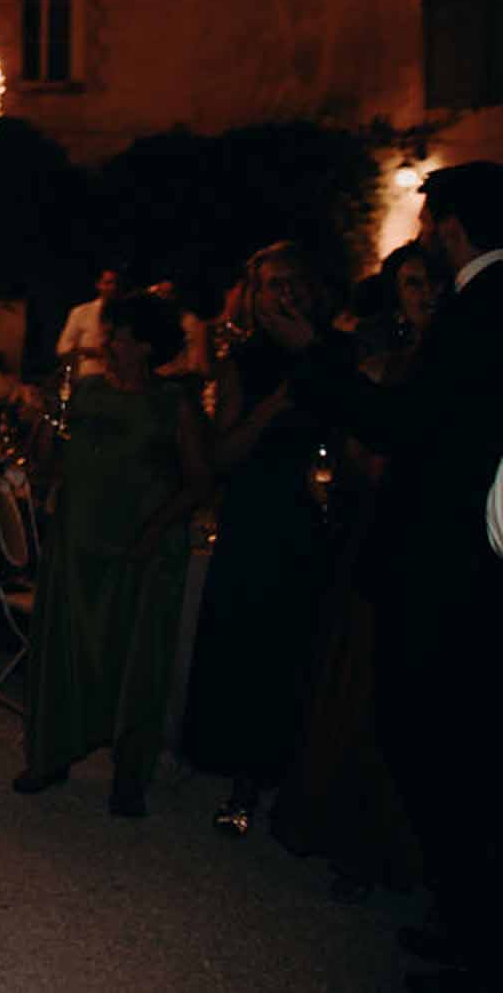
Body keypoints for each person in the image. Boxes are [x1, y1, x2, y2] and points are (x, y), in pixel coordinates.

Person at [262, 162, 503, 987]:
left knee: (434, 740)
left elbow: (403, 422)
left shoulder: (480, 309)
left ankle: (475, 932)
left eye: (432, 220)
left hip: (448, 561)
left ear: (451, 226)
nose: (426, 233)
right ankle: (463, 916)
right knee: (444, 741)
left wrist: (314, 355)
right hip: (460, 555)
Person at [270, 241, 439, 901]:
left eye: (431, 283)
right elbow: (353, 447)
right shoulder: (379, 362)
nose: (422, 294)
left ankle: (396, 848)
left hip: (422, 537)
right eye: (410, 284)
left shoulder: (452, 363)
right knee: (350, 675)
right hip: (370, 529)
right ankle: (344, 829)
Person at [13, 293, 212, 817]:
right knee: (65, 646)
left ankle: (129, 777)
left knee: (136, 659)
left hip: (141, 545)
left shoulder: (174, 402)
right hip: (79, 539)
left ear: (146, 345)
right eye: (111, 332)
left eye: (121, 334)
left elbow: (199, 481)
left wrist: (155, 530)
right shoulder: (86, 392)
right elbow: (50, 464)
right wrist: (44, 431)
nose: (109, 342)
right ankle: (51, 757)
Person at [180, 241, 341, 835]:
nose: (284, 294)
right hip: (259, 517)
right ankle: (243, 784)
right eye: (271, 284)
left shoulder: (339, 353)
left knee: (314, 653)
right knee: (250, 650)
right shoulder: (244, 362)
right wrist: (275, 405)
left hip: (325, 518)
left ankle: (306, 784)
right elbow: (221, 454)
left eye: (293, 281)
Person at [56, 264, 125, 380]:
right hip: (91, 376)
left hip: (120, 379)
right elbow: (63, 348)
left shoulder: (127, 313)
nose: (113, 288)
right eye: (108, 283)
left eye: (116, 283)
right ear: (98, 285)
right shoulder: (82, 312)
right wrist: (92, 351)